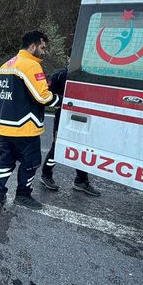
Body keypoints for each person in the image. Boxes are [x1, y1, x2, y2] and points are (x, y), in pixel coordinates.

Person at [0, 30, 61, 210]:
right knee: (30, 163)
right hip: (25, 127)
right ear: (33, 46)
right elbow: (43, 97)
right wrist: (62, 101)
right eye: (42, 48)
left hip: (4, 126)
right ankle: (23, 195)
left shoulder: (4, 66)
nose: (44, 52)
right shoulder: (31, 65)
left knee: (5, 162)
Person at [39, 66, 101, 196]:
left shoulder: (90, 75)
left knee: (81, 149)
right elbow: (49, 97)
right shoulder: (59, 75)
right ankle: (46, 175)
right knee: (57, 147)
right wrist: (60, 104)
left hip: (84, 119)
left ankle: (81, 181)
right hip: (63, 119)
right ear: (69, 57)